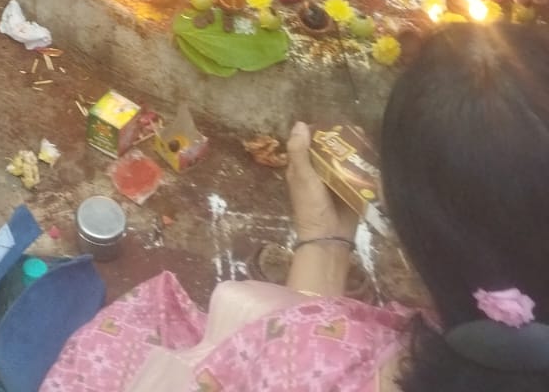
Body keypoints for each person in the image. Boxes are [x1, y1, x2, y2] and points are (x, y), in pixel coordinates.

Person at [44, 24, 549, 392]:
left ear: (416, 224)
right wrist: (327, 236)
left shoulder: (330, 360)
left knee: (118, 343)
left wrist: (319, 236)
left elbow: (294, 356)